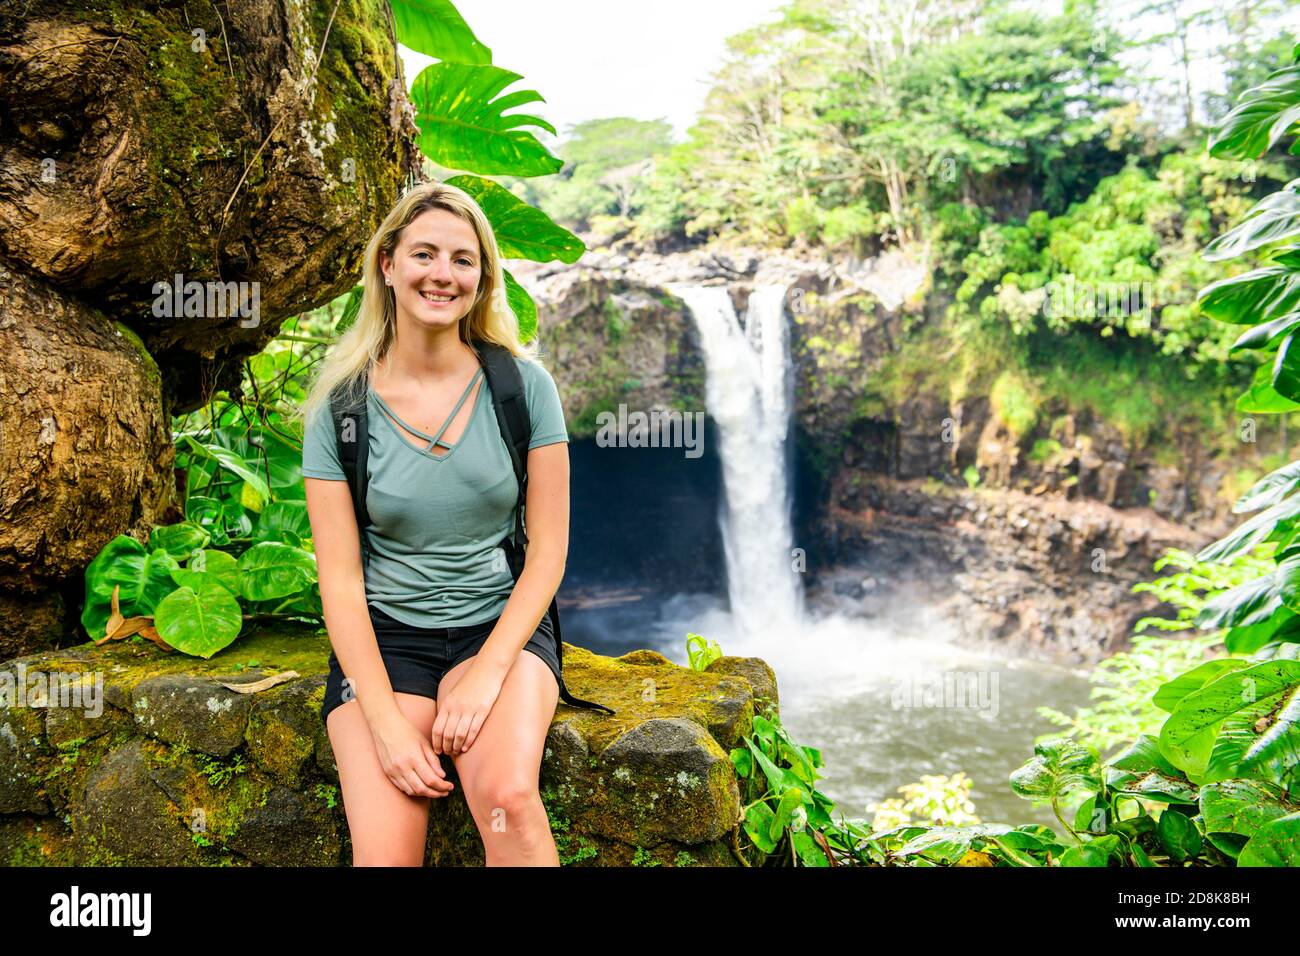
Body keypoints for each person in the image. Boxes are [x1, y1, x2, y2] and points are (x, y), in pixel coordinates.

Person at [293, 180, 577, 866]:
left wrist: (488, 670)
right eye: (425, 254)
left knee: (508, 797)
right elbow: (340, 578)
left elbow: (547, 552)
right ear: (387, 264)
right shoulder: (342, 410)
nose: (443, 274)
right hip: (388, 643)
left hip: (500, 624)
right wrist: (384, 720)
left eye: (463, 259)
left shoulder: (523, 389)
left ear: (482, 279)